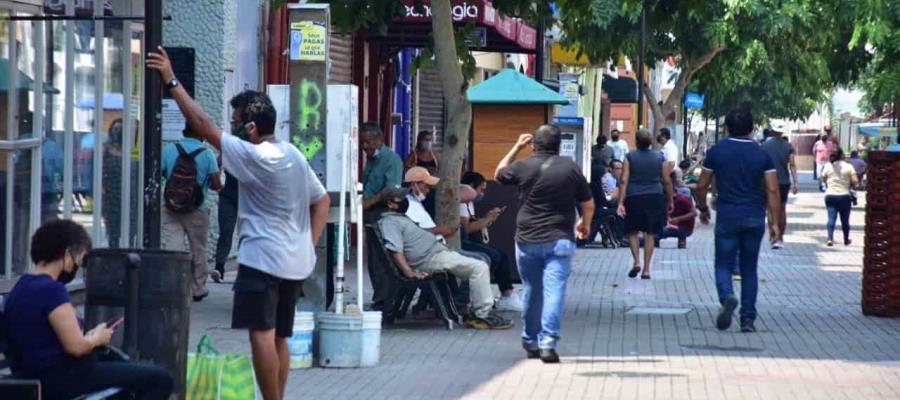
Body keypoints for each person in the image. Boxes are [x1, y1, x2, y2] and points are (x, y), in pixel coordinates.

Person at [148, 47, 331, 400]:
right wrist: (309, 244)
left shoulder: (256, 155)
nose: (229, 127)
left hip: (262, 259)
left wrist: (170, 78)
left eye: (234, 122)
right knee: (279, 335)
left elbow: (202, 125)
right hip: (295, 262)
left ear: (250, 127)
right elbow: (321, 200)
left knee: (259, 333)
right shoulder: (292, 152)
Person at [4, 220, 173, 400]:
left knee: (130, 373)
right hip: (62, 379)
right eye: (80, 258)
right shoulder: (52, 290)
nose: (78, 266)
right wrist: (97, 338)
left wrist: (88, 337)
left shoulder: (20, 287)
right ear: (67, 254)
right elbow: (76, 348)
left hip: (33, 375)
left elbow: (43, 338)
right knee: (159, 379)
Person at [495, 125, 594, 363]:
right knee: (555, 292)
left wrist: (516, 147)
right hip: (560, 238)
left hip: (527, 238)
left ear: (533, 145)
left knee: (532, 291)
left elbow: (499, 173)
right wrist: (585, 225)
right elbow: (588, 202)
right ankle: (548, 343)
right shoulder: (570, 167)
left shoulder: (523, 165)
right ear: (559, 145)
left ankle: (530, 341)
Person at [377, 187, 513, 330]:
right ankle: (482, 315)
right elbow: (395, 249)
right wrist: (408, 272)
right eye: (401, 199)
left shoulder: (399, 218)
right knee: (479, 267)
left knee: (480, 261)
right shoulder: (390, 222)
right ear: (390, 204)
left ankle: (474, 309)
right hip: (431, 258)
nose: (405, 201)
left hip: (437, 252)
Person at [697, 108, 782, 333]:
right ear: (752, 128)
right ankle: (747, 319)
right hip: (754, 217)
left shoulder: (716, 152)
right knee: (749, 269)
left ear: (726, 128)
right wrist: (775, 223)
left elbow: (701, 184)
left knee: (723, 263)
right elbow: (773, 190)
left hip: (727, 216)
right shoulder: (762, 154)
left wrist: (703, 207)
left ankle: (726, 297)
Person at [161, 125, 223, 302]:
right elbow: (216, 185)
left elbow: (162, 173)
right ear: (202, 135)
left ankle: (173, 286)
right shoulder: (207, 154)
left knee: (173, 247)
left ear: (183, 133)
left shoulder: (169, 150)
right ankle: (198, 288)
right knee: (198, 249)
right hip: (197, 209)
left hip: (171, 207)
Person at [459, 172, 521, 312]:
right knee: (494, 256)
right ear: (471, 187)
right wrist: (487, 220)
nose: (483, 193)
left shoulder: (469, 203)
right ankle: (504, 294)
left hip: (470, 241)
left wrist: (488, 218)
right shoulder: (462, 203)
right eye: (481, 189)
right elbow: (465, 229)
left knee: (500, 255)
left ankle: (507, 294)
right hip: (462, 242)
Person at [618, 129, 674, 280]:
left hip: (634, 197)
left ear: (636, 141)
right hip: (654, 196)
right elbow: (666, 180)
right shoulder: (659, 157)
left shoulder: (629, 157)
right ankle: (647, 269)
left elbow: (623, 180)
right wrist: (670, 200)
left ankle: (636, 261)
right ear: (651, 142)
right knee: (650, 234)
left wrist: (621, 202)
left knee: (633, 231)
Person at [760, 122, 798, 249]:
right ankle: (780, 237)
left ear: (772, 131)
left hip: (767, 180)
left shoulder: (764, 146)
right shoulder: (788, 146)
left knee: (770, 209)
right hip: (784, 181)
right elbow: (792, 164)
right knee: (782, 209)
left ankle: (772, 235)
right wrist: (795, 182)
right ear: (782, 132)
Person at [361, 123, 404, 218]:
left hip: (381, 214)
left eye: (368, 142)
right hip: (366, 213)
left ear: (379, 139)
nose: (364, 146)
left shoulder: (392, 159)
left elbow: (392, 190)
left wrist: (370, 201)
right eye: (362, 143)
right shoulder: (371, 158)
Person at [822, 148, 859, 247]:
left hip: (830, 196)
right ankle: (846, 239)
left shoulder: (828, 166)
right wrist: (854, 185)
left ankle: (830, 239)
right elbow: (855, 181)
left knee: (831, 218)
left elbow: (824, 178)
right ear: (842, 155)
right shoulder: (848, 167)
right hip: (844, 196)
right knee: (845, 220)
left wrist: (829, 185)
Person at [405, 130, 440, 215]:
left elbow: (440, 169)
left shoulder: (434, 154)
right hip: (420, 188)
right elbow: (406, 169)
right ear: (420, 140)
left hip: (433, 187)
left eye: (430, 140)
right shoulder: (414, 155)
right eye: (426, 140)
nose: (428, 143)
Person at [102, 119, 124, 247]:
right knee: (113, 228)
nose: (117, 133)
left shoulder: (130, 149)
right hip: (110, 193)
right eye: (115, 129)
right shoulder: (106, 149)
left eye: (120, 130)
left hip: (126, 191)